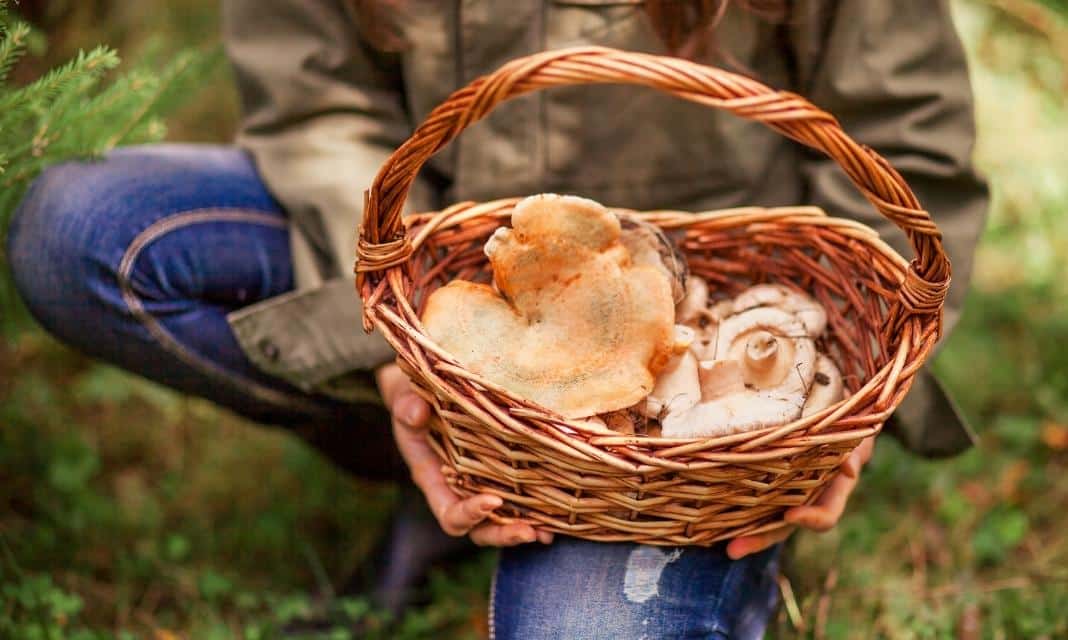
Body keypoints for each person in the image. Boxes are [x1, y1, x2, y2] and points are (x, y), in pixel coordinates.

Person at [7, 0, 987, 637]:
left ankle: (684, 530)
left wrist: (829, 397)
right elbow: (317, 108)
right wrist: (396, 350)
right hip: (437, 261)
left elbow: (907, 146)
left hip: (704, 373)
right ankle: (445, 470)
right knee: (83, 233)